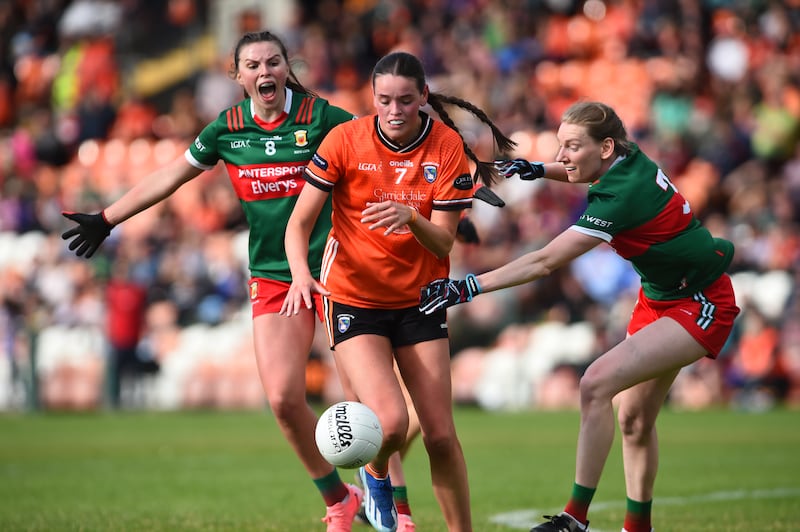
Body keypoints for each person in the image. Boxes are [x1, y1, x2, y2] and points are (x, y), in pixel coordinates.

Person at [61, 30, 365, 531]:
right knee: (284, 400)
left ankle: (394, 507)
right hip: (273, 275)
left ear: (287, 67)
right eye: (253, 65)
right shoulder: (226, 130)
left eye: (273, 62)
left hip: (338, 270)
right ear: (237, 75)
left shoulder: (325, 118)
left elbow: (381, 156)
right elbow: (169, 176)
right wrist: (108, 218)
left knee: (364, 400)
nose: (264, 72)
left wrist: (437, 209)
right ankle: (340, 499)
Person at [419, 100, 741, 532]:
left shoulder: (621, 197)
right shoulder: (629, 158)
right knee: (633, 420)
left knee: (594, 383)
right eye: (560, 146)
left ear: (605, 146)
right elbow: (580, 172)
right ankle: (637, 527)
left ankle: (574, 519)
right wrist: (537, 169)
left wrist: (467, 286)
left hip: (701, 301)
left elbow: (545, 262)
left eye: (571, 146)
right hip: (660, 297)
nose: (563, 156)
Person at [281, 51, 515, 532]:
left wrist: (412, 217)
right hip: (353, 296)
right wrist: (300, 273)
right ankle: (377, 483)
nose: (394, 110)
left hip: (421, 299)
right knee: (387, 423)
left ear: (423, 97)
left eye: (406, 100)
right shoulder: (345, 140)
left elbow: (446, 240)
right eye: (384, 99)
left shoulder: (448, 148)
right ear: (373, 98)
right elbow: (299, 223)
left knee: (441, 437)